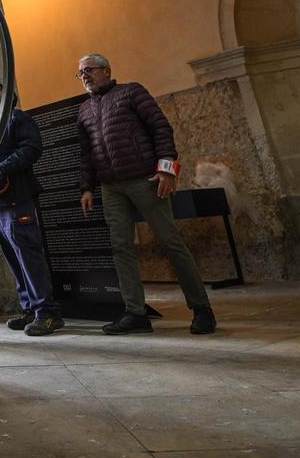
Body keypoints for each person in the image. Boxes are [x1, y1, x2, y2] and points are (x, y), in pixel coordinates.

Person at [75, 53, 216, 335]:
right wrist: (87, 187)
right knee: (121, 248)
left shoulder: (131, 92)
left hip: (146, 179)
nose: (85, 76)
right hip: (111, 187)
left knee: (170, 242)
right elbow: (86, 153)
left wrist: (167, 170)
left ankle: (202, 309)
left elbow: (160, 128)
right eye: (80, 74)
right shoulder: (85, 111)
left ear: (106, 70)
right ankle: (135, 313)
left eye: (89, 70)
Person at [0, 79, 63, 337]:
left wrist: (3, 167)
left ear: (10, 96)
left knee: (29, 257)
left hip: (17, 200)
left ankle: (47, 313)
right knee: (14, 259)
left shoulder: (19, 120)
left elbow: (31, 148)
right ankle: (29, 308)